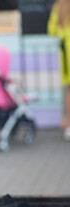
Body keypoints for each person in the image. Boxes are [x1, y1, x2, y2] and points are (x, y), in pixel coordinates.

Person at [48, 0, 70, 141]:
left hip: (65, 53)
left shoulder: (59, 7)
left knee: (68, 90)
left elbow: (52, 30)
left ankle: (68, 123)